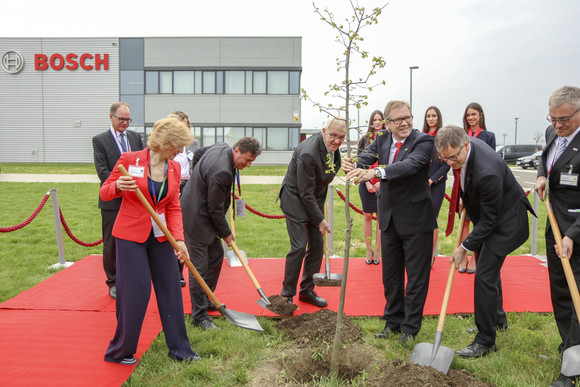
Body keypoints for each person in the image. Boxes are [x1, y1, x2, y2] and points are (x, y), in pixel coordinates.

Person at [101, 116, 199, 365]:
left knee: (171, 289)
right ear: (166, 142)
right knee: (137, 291)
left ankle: (180, 350)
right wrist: (117, 187)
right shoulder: (128, 160)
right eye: (178, 145)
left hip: (161, 235)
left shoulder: (174, 168)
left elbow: (174, 207)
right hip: (130, 236)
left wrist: (179, 239)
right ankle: (120, 350)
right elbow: (105, 190)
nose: (180, 151)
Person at [436, 125, 534, 359]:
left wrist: (464, 247)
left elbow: (491, 221)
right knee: (488, 273)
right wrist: (466, 201)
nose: (450, 162)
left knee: (484, 276)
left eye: (453, 157)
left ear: (466, 145)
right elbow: (467, 181)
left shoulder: (487, 171)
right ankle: (496, 320)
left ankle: (485, 341)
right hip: (490, 217)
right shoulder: (464, 149)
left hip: (506, 224)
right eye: (444, 158)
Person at [344, 101, 435, 343]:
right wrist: (352, 165)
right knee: (390, 276)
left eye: (408, 117)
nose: (405, 123)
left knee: (416, 278)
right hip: (389, 219)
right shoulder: (382, 139)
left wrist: (376, 172)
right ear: (387, 123)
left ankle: (410, 329)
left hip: (416, 220)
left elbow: (410, 165)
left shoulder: (423, 141)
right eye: (398, 120)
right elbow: (365, 157)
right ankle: (392, 322)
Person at [180, 136, 262, 330]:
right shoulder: (222, 172)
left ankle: (207, 298)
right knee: (199, 267)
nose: (248, 165)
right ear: (237, 151)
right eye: (247, 160)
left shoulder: (221, 146)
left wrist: (199, 177)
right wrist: (226, 233)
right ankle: (199, 317)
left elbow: (199, 154)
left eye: (251, 161)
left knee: (216, 256)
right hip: (196, 216)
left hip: (204, 210)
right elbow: (215, 209)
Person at [534, 86, 580, 387]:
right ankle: (568, 347)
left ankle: (572, 370)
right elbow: (545, 161)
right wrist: (540, 175)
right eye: (552, 119)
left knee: (578, 296)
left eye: (563, 119)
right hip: (555, 226)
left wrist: (573, 234)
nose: (557, 125)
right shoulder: (553, 135)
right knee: (561, 292)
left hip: (576, 230)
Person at [278, 116, 345, 308]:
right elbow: (305, 192)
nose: (337, 141)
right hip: (295, 199)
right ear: (324, 131)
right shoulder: (308, 153)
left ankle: (306, 291)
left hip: (312, 199)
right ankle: (286, 295)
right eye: (333, 135)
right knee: (299, 246)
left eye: (341, 137)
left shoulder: (333, 149)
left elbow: (322, 181)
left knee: (317, 245)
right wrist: (320, 219)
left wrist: (318, 212)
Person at [92, 102, 144, 299]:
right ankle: (113, 282)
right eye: (121, 119)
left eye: (128, 119)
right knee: (111, 242)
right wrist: (119, 187)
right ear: (111, 117)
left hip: (135, 199)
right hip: (112, 200)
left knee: (135, 240)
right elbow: (102, 171)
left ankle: (131, 278)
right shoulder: (100, 140)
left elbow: (142, 162)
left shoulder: (135, 137)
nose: (125, 123)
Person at [454, 102, 497, 274]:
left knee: (478, 223)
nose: (471, 118)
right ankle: (462, 257)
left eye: (474, 114)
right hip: (463, 184)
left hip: (480, 186)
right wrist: (460, 193)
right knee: (465, 222)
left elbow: (491, 162)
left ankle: (475, 258)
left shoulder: (488, 136)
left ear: (480, 115)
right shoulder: (461, 136)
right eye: (468, 115)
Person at [169, 110, 197, 287]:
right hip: (171, 186)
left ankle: (179, 272)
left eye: (187, 124)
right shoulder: (168, 146)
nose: (186, 127)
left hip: (188, 186)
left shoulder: (193, 144)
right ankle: (168, 269)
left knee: (183, 231)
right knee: (169, 230)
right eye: (182, 124)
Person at [422, 106, 450, 267]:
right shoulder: (422, 136)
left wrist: (432, 180)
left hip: (436, 184)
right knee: (421, 220)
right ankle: (421, 254)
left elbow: (447, 164)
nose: (431, 119)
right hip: (420, 184)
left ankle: (431, 256)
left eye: (434, 116)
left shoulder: (443, 136)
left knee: (432, 220)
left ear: (438, 118)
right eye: (428, 116)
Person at [357, 110, 385, 265]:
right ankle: (368, 249)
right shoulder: (364, 140)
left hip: (383, 183)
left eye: (380, 119)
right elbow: (360, 162)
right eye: (374, 119)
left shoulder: (388, 139)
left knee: (381, 219)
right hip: (365, 182)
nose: (377, 122)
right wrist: (367, 182)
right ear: (371, 122)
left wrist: (381, 182)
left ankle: (377, 251)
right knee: (367, 216)